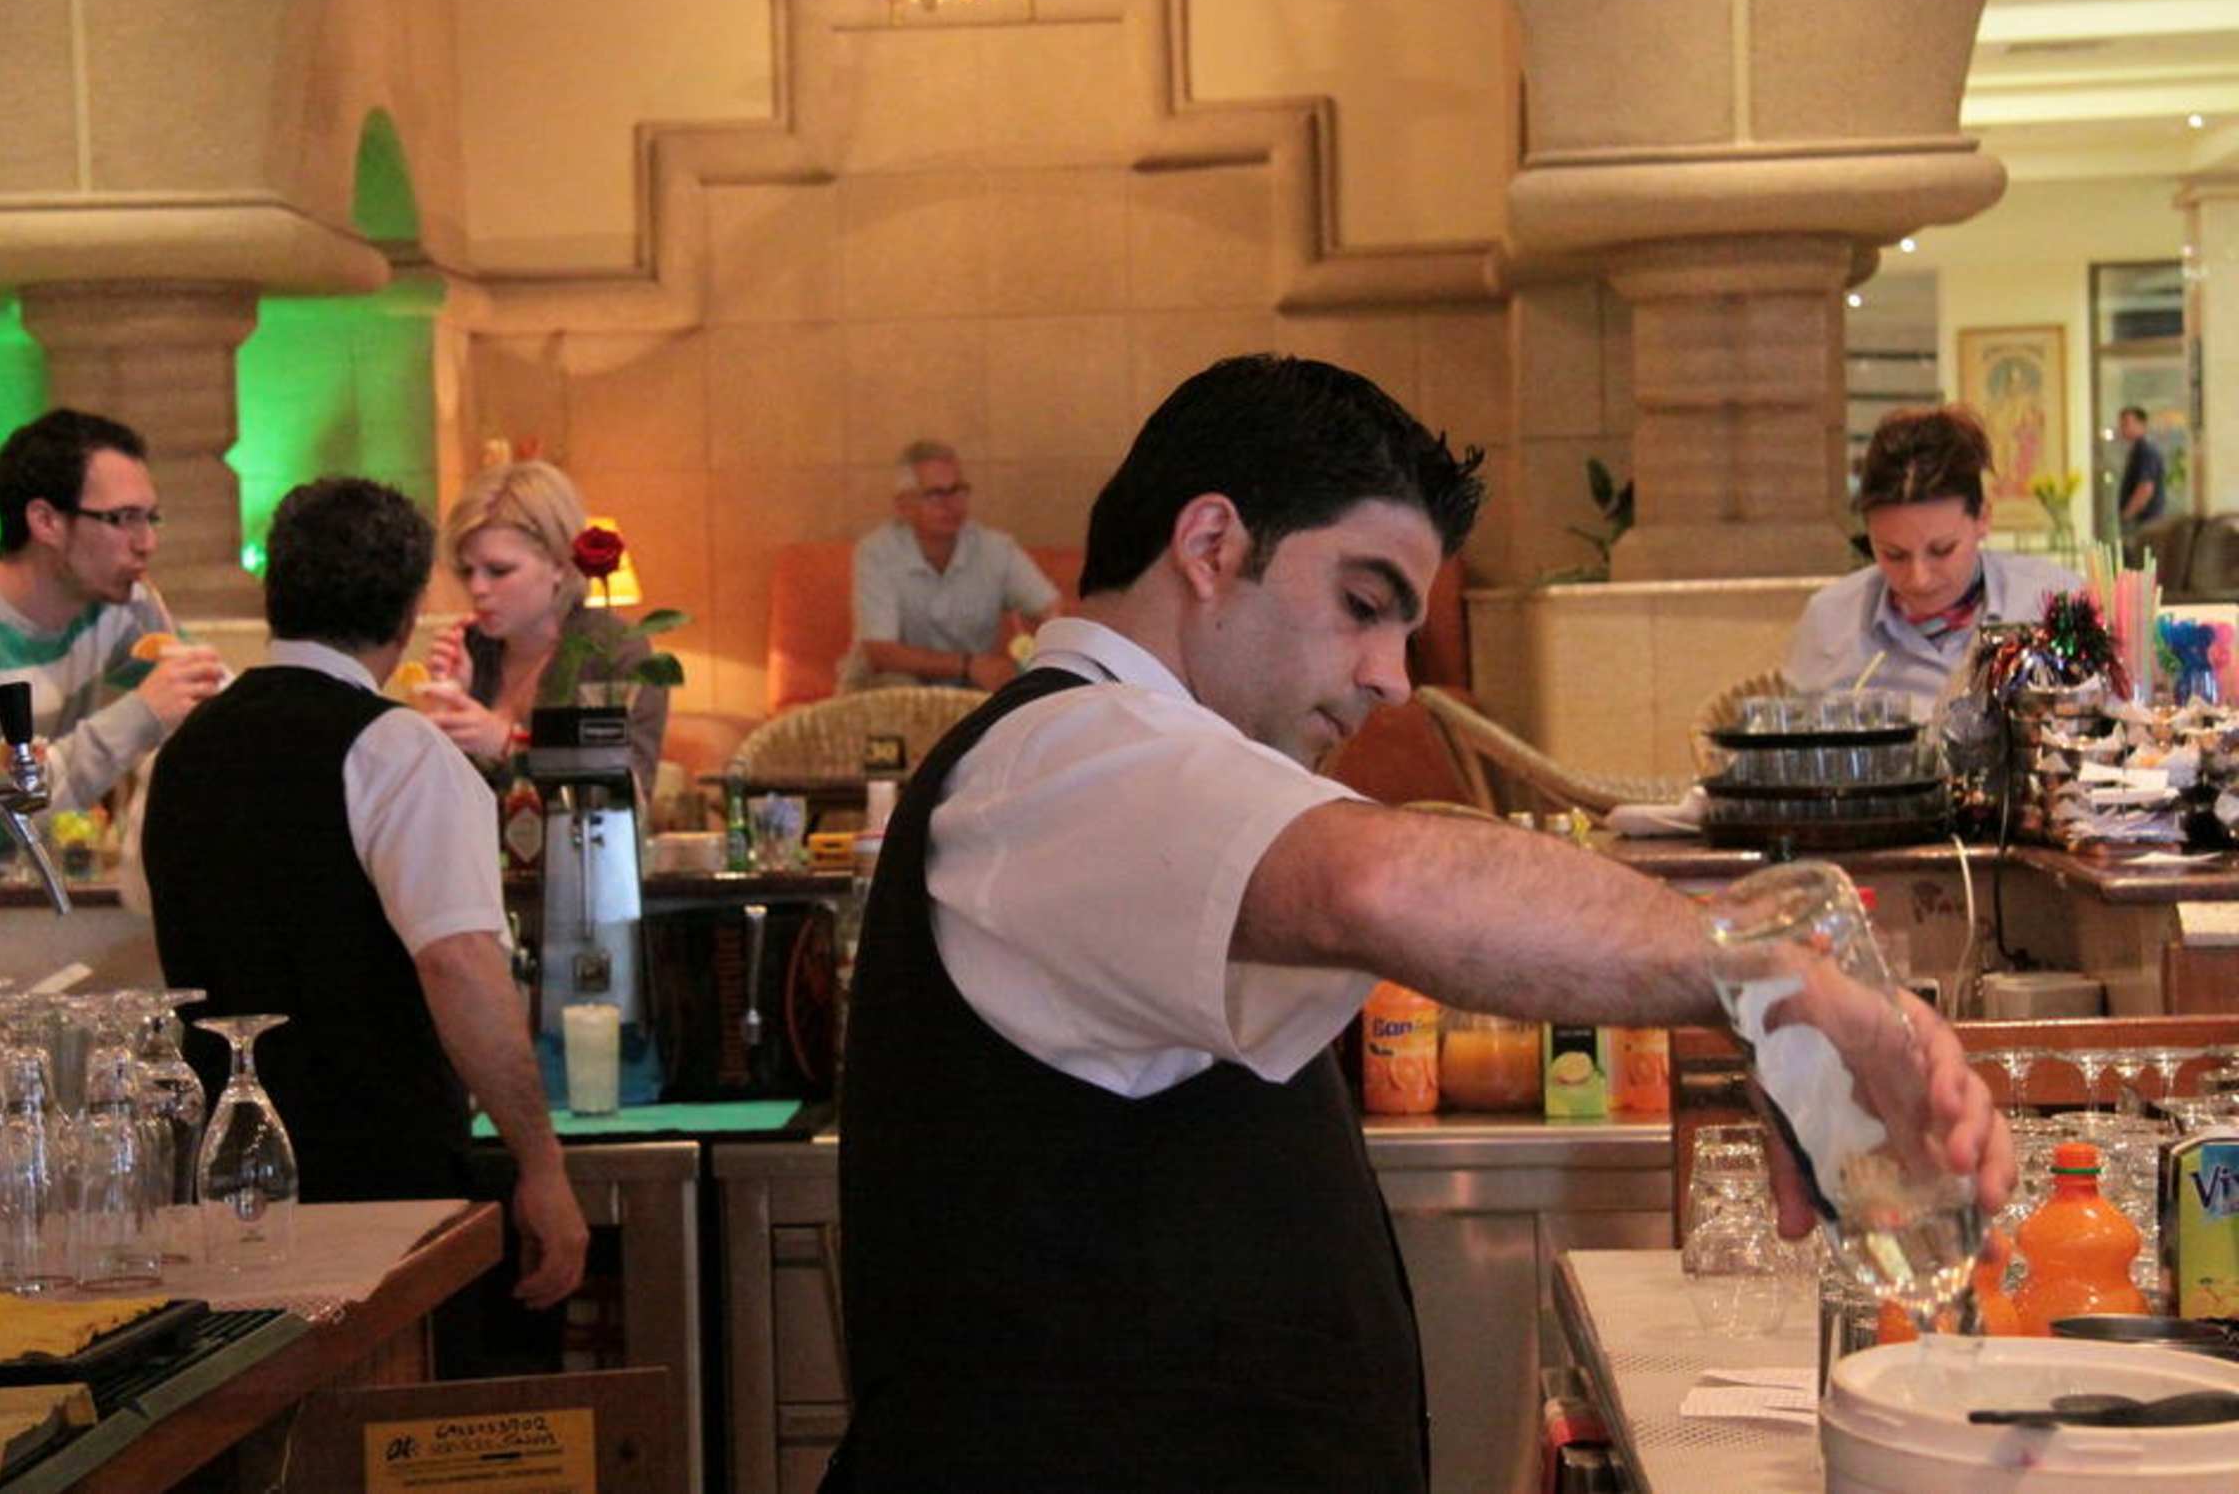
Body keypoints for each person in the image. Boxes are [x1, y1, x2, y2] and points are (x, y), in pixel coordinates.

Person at [832, 356, 2010, 1491]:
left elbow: (1414, 893)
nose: (1391, 677)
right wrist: (1774, 982)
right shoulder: (1060, 757)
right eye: (1361, 605)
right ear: (1208, 546)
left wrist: (1762, 994)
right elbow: (1380, 882)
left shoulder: (1140, 779)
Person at [144, 477, 587, 1315]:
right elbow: (459, 964)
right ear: (410, 609)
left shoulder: (179, 753)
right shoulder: (399, 750)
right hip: (386, 1187)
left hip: (220, 1188)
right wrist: (541, 1163)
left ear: (276, 592)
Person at [0, 408, 225, 812]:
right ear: (46, 521)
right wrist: (140, 716)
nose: (147, 543)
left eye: (150, 519)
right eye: (124, 518)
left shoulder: (114, 605)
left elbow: (213, 692)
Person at [1784, 406, 2085, 705]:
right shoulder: (1830, 623)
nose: (1920, 579)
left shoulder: (2053, 605)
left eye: (1942, 550)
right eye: (1894, 555)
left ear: (1983, 518)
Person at [417, 460, 668, 797]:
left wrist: (509, 744)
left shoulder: (612, 650)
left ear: (560, 564)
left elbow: (626, 791)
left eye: (498, 571)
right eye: (466, 571)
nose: (477, 588)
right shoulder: (472, 648)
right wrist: (449, 707)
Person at [839, 439, 1061, 693]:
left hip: (967, 688)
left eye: (957, 490)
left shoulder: (996, 549)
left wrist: (1042, 656)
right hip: (889, 685)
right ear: (903, 506)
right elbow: (880, 652)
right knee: (898, 686)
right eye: (935, 494)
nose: (951, 504)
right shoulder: (876, 552)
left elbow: (1051, 609)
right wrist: (970, 665)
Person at [2117, 405, 2168, 529]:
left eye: (2126, 423)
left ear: (2141, 424)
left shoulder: (2145, 450)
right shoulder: (2137, 450)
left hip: (2146, 521)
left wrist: (2127, 515)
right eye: (2121, 424)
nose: (2122, 428)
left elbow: (2145, 488)